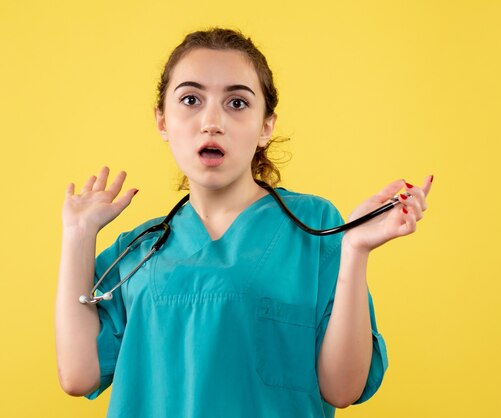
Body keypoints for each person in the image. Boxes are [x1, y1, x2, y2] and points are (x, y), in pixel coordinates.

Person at [54, 27, 433, 418]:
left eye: (236, 103)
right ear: (162, 121)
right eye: (190, 99)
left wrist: (355, 250)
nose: (212, 121)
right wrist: (78, 236)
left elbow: (342, 389)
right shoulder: (136, 251)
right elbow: (79, 376)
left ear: (266, 126)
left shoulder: (315, 227)